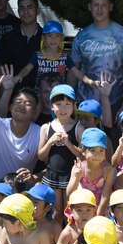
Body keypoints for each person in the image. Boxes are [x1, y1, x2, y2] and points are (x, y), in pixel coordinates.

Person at [68, 0, 123, 114]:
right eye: (96, 5)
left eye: (104, 5)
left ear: (110, 7)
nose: (99, 9)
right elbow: (73, 70)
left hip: (115, 104)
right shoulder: (81, 36)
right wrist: (68, 100)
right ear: (90, 7)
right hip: (85, 104)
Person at [37, 84, 84, 220]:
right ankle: (57, 234)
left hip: (72, 176)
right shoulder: (46, 128)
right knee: (56, 214)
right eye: (59, 104)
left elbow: (82, 155)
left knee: (70, 213)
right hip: (53, 175)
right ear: (52, 106)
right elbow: (41, 156)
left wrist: (68, 143)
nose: (63, 109)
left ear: (74, 106)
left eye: (67, 104)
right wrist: (50, 142)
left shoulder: (78, 128)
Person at [0, 0, 42, 88]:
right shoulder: (8, 39)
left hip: (42, 94)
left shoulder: (47, 38)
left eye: (30, 7)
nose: (25, 12)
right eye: (22, 8)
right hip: (14, 93)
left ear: (37, 11)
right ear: (18, 11)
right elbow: (1, 68)